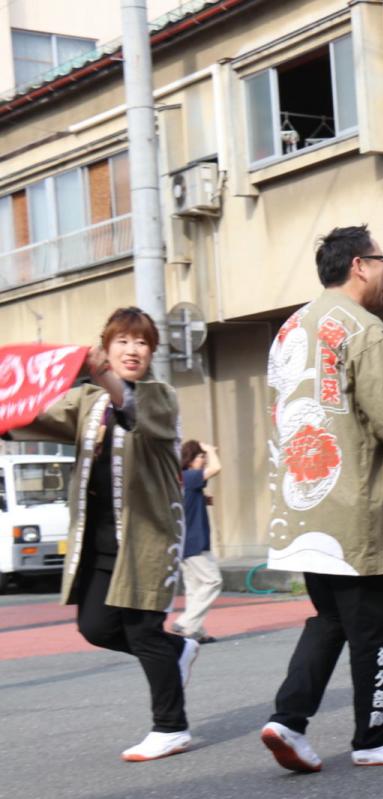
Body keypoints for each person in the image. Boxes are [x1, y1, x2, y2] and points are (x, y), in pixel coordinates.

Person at [259, 225, 383, 773]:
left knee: (331, 619)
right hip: (355, 506)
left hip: (303, 504)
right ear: (360, 265)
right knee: (376, 625)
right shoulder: (362, 328)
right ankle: (375, 735)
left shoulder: (292, 328)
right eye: (382, 260)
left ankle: (288, 719)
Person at [9, 307, 196, 761]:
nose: (133, 351)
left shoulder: (161, 397)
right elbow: (34, 416)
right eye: (123, 342)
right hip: (97, 539)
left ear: (151, 351)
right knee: (95, 628)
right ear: (107, 346)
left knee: (142, 630)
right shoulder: (87, 401)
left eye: (142, 343)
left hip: (146, 537)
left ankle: (170, 727)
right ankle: (179, 649)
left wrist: (102, 376)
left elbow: (130, 408)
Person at [171, 440, 223, 644]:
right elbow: (217, 468)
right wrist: (210, 449)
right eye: (201, 457)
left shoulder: (182, 481)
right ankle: (185, 623)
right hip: (195, 542)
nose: (204, 461)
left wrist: (203, 500)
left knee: (194, 588)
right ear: (191, 460)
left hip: (183, 543)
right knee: (213, 581)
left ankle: (196, 631)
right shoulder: (191, 476)